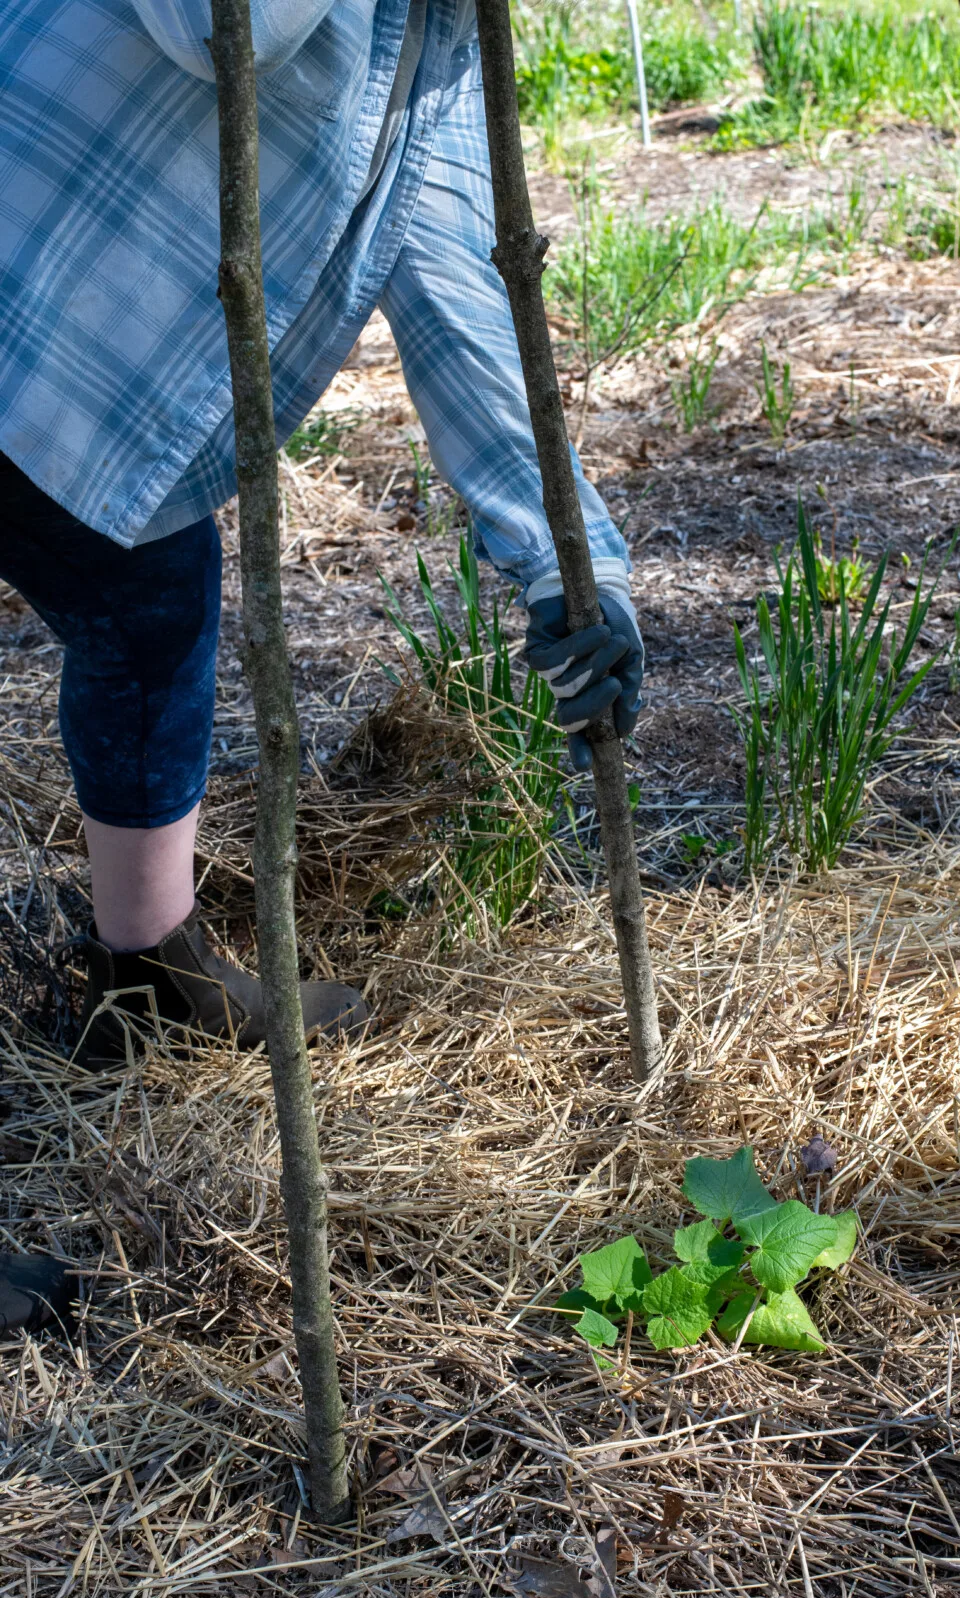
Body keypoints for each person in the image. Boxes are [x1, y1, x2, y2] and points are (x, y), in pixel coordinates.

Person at [0, 0, 644, 1064]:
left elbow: (460, 292)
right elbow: (223, 33)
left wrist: (573, 571)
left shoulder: (436, 41)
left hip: (67, 375)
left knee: (151, 597)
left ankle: (149, 976)